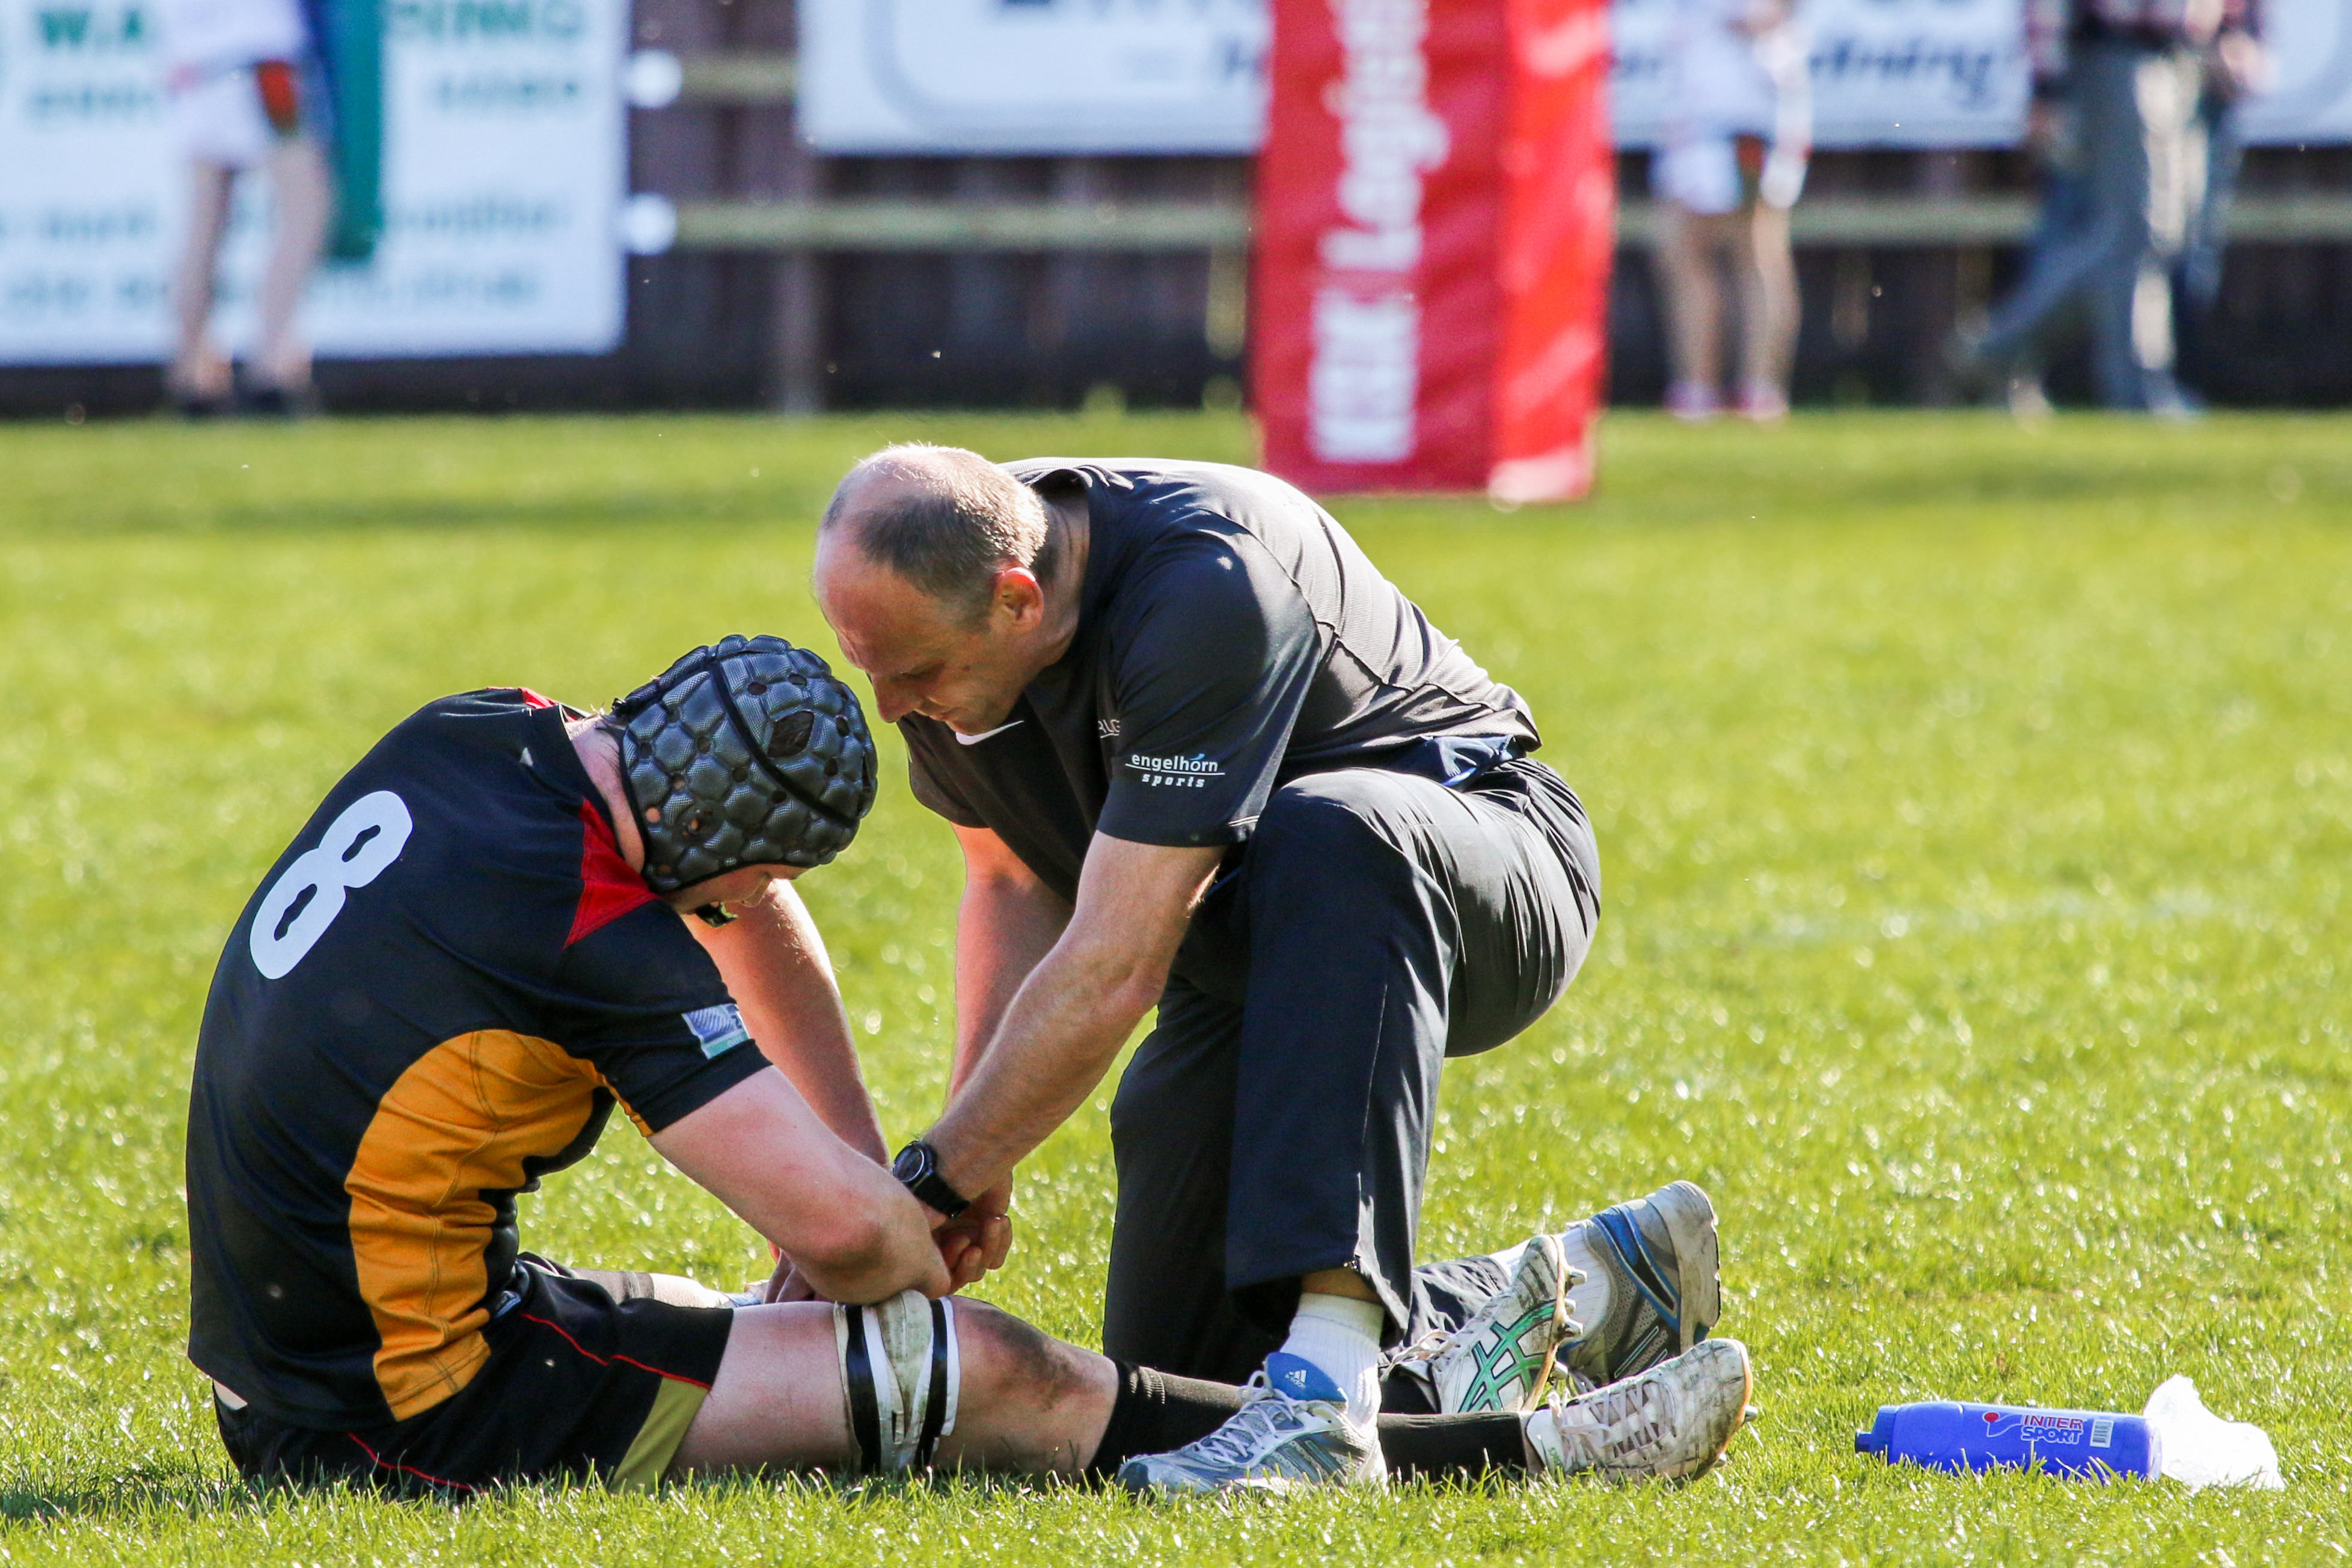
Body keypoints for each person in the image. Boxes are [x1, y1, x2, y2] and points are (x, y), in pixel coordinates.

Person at [184, 635, 1756, 1496]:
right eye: (733, 892)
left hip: (334, 1339)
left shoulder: (495, 732)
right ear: (700, 861)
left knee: (816, 1332)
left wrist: (869, 1183)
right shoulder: (593, 938)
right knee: (995, 1371)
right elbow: (862, 1248)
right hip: (407, 1410)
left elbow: (758, 933)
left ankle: (1533, 1305)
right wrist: (889, 1217)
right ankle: (1528, 1451)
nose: (737, 916)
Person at [810, 447, 1732, 1490]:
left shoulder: (1207, 581)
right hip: (1243, 950)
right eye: (868, 667)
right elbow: (1014, 882)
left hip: (1478, 867)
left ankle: (1326, 1399)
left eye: (913, 674)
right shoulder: (945, 596)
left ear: (1019, 600)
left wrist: (930, 1180)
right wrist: (978, 1152)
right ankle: (1595, 1288)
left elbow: (1117, 962)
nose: (890, 707)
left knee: (1330, 825)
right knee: (1183, 1375)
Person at [1958, 0, 2265, 413]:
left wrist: (2231, 31)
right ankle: (2134, 388)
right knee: (2136, 231)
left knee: (2161, 236)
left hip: (2185, 56)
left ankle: (1995, 350)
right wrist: (2046, 86)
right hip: (2118, 55)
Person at [161, 0, 334, 415]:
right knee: (305, 209)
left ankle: (192, 372)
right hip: (263, 66)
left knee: (206, 224)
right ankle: (273, 368)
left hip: (197, 66)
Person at [1649, 0, 1810, 422]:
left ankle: (1727, 389)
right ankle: (1730, 390)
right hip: (1712, 114)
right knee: (1717, 253)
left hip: (1736, 114)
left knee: (1743, 250)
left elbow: (1769, 15)